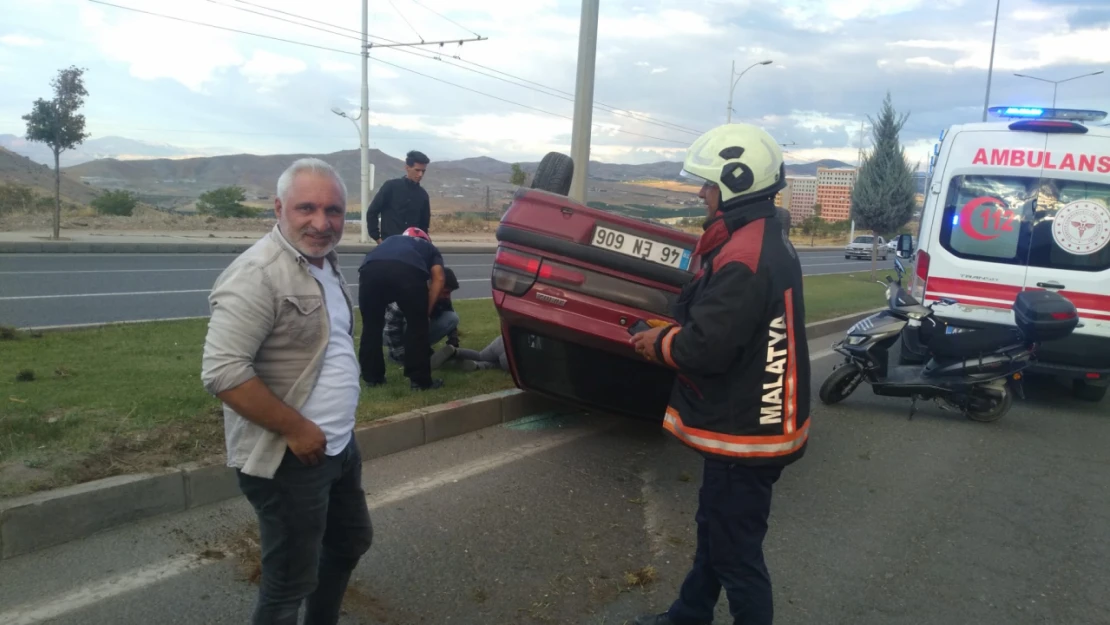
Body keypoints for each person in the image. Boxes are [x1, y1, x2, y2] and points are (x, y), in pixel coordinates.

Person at [629, 123, 810, 625]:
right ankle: (689, 615)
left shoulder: (745, 254)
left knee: (737, 556)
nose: (701, 193)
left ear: (735, 182)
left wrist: (657, 341)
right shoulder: (760, 235)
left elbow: (706, 347)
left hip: (747, 431)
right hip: (747, 423)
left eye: (707, 184)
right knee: (716, 529)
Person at [200, 157, 373, 625]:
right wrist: (298, 430)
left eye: (334, 211)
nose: (322, 223)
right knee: (288, 584)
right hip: (288, 458)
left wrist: (332, 429)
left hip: (337, 445)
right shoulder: (258, 272)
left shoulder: (323, 264)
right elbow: (222, 371)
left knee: (348, 542)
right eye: (307, 208)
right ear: (279, 208)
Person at [358, 227, 446, 390]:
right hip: (408, 270)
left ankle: (372, 377)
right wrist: (425, 311)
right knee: (417, 326)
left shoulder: (390, 241)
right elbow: (439, 278)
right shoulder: (430, 248)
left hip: (369, 269)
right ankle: (419, 381)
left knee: (371, 326)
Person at [382, 266, 461, 368]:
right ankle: (396, 354)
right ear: (433, 285)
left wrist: (453, 342)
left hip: (412, 328)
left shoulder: (440, 295)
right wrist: (400, 355)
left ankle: (420, 349)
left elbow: (449, 314)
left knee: (452, 317)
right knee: (419, 319)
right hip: (388, 330)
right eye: (446, 292)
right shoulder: (409, 292)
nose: (448, 296)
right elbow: (391, 326)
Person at [366, 150, 431, 243]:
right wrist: (377, 238)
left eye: (423, 171)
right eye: (417, 170)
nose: (420, 174)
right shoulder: (391, 187)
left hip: (413, 247)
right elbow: (372, 212)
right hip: (390, 245)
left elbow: (424, 226)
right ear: (407, 168)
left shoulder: (423, 195)